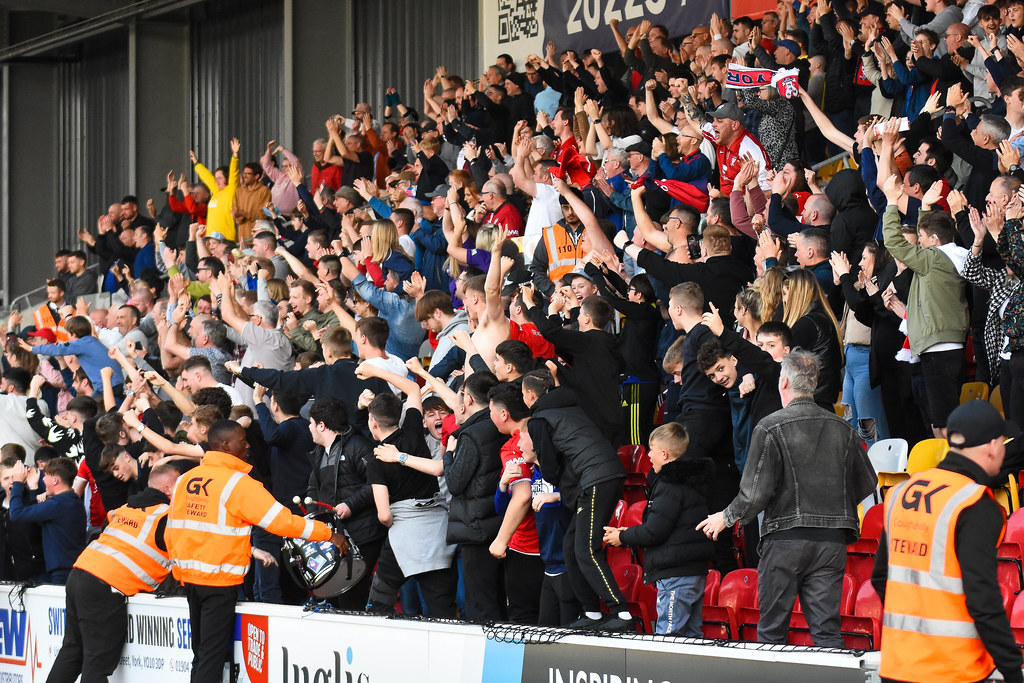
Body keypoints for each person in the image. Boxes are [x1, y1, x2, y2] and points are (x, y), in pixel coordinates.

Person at [698, 350, 877, 647]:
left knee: (771, 633)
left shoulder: (770, 426)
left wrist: (726, 516)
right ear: (815, 381)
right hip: (831, 542)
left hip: (785, 541)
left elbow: (755, 493)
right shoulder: (843, 428)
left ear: (783, 382)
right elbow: (866, 483)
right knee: (827, 633)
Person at [165, 420, 348, 683]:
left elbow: (175, 531)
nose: (248, 444)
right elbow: (283, 522)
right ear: (227, 445)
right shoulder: (238, 483)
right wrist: (328, 534)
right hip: (219, 580)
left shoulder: (185, 479)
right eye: (243, 439)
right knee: (211, 657)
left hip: (191, 579)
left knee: (202, 653)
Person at [873, 400, 1024, 683]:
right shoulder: (975, 503)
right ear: (992, 445)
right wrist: (1013, 669)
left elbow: (881, 578)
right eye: (1003, 443)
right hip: (952, 670)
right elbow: (983, 598)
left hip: (897, 665)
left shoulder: (901, 493)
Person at [45, 464, 179, 683]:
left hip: (80, 573)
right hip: (104, 586)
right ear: (167, 489)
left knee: (72, 651)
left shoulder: (125, 508)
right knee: (97, 664)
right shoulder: (167, 517)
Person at [603, 422, 715, 637]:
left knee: (669, 639)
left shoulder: (671, 484)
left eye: (651, 450)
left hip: (677, 575)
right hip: (691, 571)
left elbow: (655, 532)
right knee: (692, 638)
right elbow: (669, 525)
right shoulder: (688, 481)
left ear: (664, 454)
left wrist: (623, 537)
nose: (648, 457)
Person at [8, 457, 87, 585]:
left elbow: (16, 514)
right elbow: (37, 519)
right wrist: (33, 489)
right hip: (70, 569)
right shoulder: (72, 501)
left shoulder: (57, 504)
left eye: (45, 476)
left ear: (55, 480)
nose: (43, 479)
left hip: (62, 572)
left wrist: (17, 483)